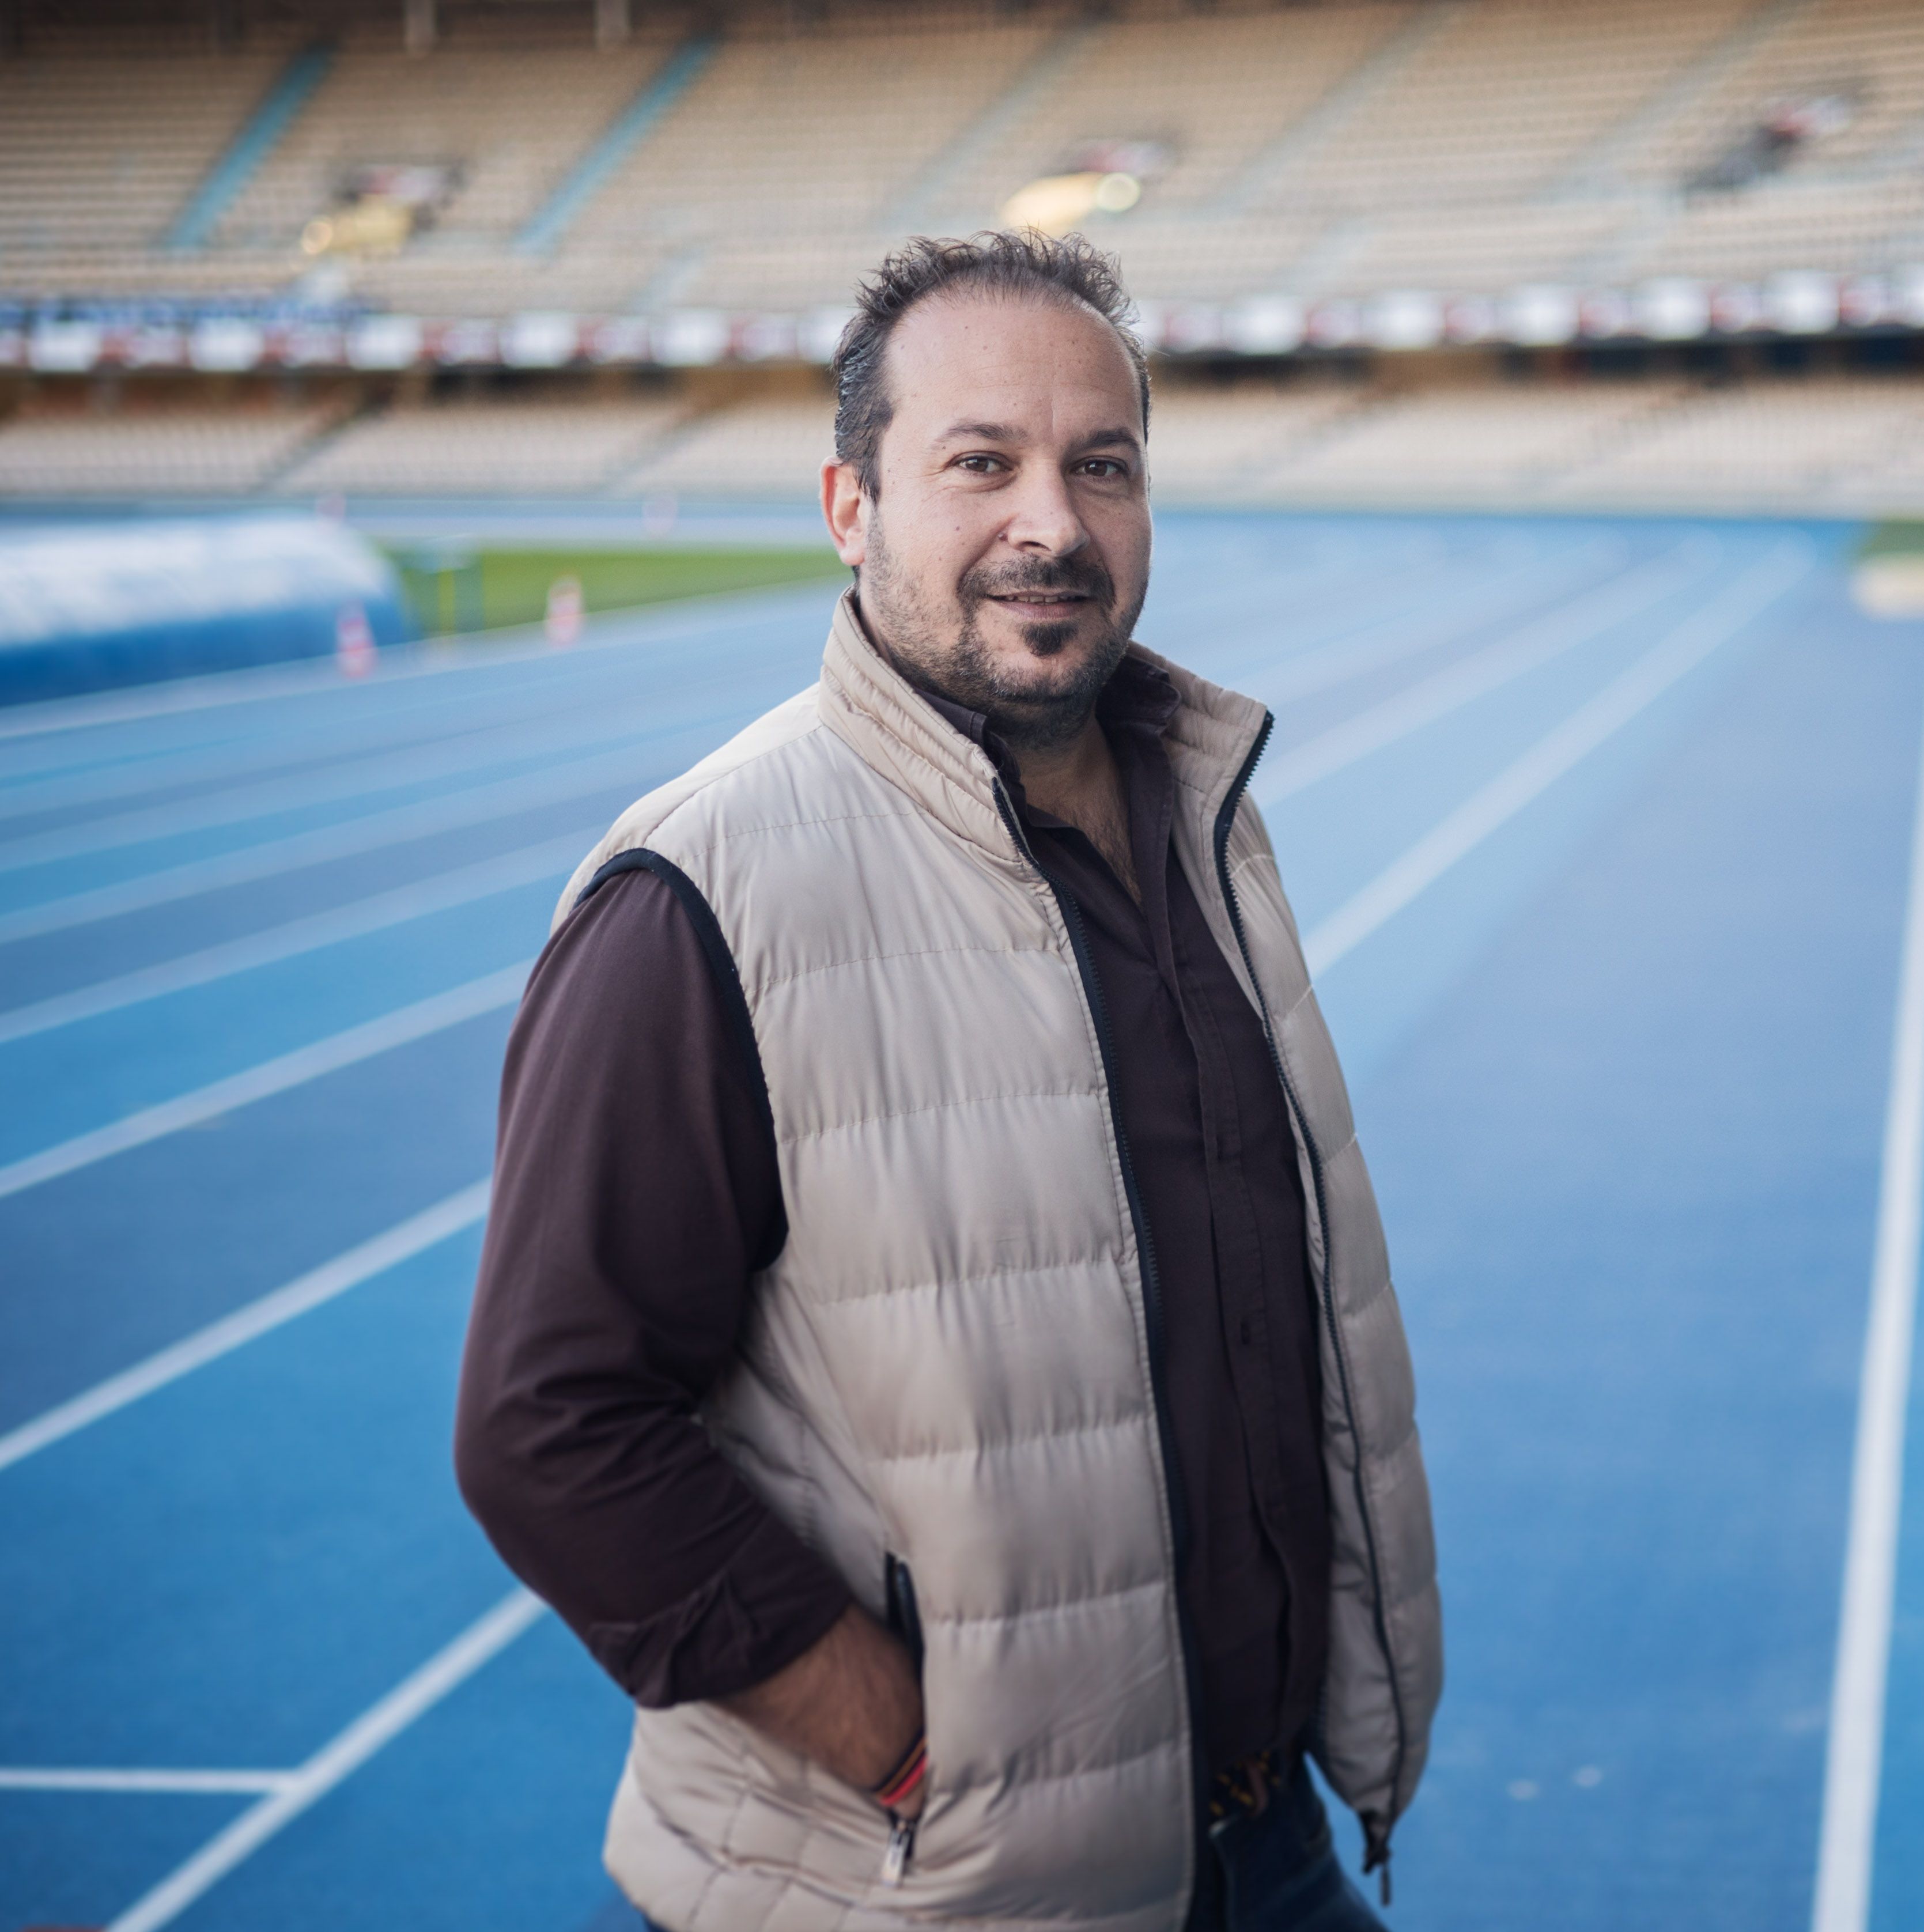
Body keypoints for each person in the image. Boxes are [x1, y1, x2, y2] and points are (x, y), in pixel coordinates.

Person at [453, 231, 1441, 1932]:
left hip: (1258, 1841)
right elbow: (551, 1427)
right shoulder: (706, 887)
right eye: (979, 462)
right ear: (851, 505)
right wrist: (919, 1757)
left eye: (1102, 465)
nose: (1050, 522)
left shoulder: (1204, 819)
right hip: (930, 1886)